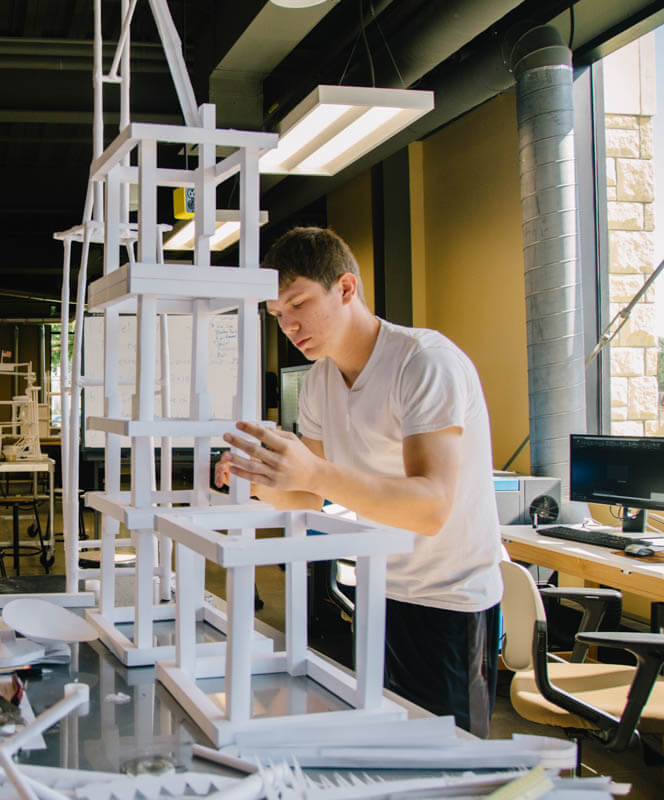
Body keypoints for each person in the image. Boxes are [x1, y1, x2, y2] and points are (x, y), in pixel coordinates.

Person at [215, 226, 503, 738]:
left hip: (450, 601)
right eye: (278, 315)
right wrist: (258, 477)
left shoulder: (423, 363)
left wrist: (311, 469)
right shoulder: (320, 382)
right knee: (388, 748)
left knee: (448, 765)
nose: (289, 324)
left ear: (346, 289)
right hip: (379, 590)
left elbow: (431, 507)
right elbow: (308, 495)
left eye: (298, 303)